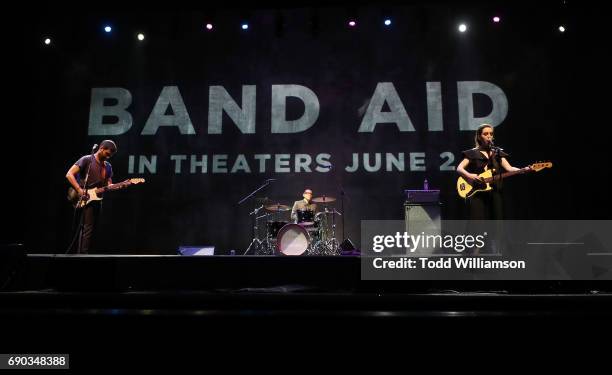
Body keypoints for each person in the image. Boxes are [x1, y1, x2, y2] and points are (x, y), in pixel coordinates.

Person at [456, 124, 529, 220]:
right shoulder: (472, 153)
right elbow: (459, 168)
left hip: (495, 191)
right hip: (477, 191)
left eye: (491, 133)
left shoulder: (497, 152)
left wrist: (523, 170)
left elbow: (510, 169)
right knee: (478, 222)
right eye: (485, 134)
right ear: (479, 136)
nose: (489, 136)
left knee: (496, 221)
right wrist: (470, 175)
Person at [65, 140, 117, 254]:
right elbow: (69, 174)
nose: (108, 157)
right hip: (84, 197)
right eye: (107, 154)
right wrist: (79, 189)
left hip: (97, 199)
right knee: (87, 228)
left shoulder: (107, 166)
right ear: (101, 148)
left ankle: (87, 254)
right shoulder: (87, 159)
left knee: (92, 229)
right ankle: (82, 256)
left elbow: (108, 183)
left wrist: (114, 186)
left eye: (110, 156)